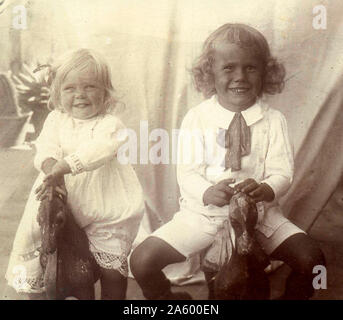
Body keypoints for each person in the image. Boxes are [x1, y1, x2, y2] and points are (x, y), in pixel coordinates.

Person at [130, 23, 325, 300]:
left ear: (265, 72)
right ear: (209, 74)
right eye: (228, 68)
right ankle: (173, 302)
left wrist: (266, 189)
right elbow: (187, 172)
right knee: (142, 261)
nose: (240, 77)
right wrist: (207, 191)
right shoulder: (197, 118)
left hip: (260, 217)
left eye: (251, 68)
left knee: (312, 260)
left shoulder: (273, 120)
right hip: (204, 217)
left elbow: (283, 172)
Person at [5, 48, 144, 300]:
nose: (80, 95)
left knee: (112, 270)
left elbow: (98, 151)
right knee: (38, 245)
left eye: (90, 86)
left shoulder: (110, 124)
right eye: (70, 89)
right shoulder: (56, 119)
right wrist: (51, 170)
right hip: (62, 199)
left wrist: (64, 166)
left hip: (103, 205)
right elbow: (45, 148)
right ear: (58, 93)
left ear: (105, 91)